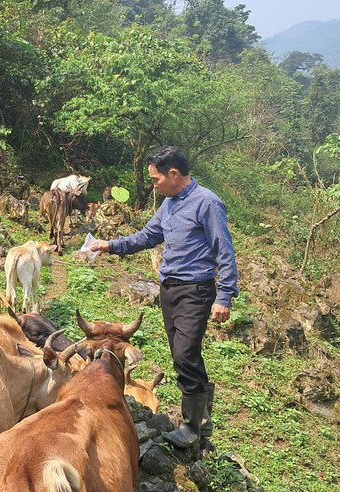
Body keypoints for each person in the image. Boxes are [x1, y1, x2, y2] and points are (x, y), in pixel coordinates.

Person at [90, 146, 238, 448]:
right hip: (168, 290)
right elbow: (147, 236)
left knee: (185, 354)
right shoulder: (169, 204)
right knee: (184, 355)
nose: (153, 185)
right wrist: (110, 245)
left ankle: (191, 427)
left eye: (156, 179)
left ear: (173, 174)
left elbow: (225, 251)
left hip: (195, 290)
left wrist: (225, 296)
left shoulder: (207, 203)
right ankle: (203, 421)